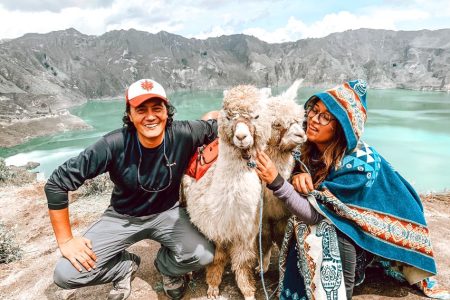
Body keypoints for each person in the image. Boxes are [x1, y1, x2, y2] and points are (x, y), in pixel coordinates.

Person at [256, 79, 449, 299]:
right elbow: (297, 162)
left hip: (372, 229)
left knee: (323, 230)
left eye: (325, 117)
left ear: (342, 127)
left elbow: (315, 215)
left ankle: (338, 287)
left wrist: (277, 182)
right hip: (349, 222)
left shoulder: (359, 166)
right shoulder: (306, 145)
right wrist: (298, 171)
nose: (313, 120)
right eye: (313, 110)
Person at [45, 79, 218, 300]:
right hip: (122, 217)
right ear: (130, 114)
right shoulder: (113, 144)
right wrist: (66, 240)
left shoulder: (185, 133)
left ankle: (167, 268)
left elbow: (220, 123)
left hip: (168, 213)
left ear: (167, 111)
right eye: (141, 109)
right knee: (66, 275)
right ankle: (124, 267)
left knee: (204, 255)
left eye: (157, 108)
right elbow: (57, 183)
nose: (150, 116)